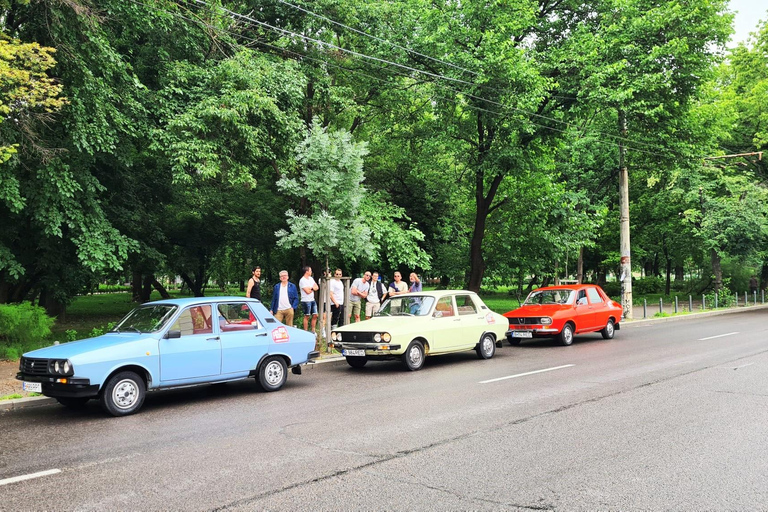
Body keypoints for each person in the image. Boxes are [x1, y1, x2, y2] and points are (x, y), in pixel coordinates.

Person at [299, 266, 319, 332]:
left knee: (315, 315)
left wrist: (311, 288)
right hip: (306, 300)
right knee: (307, 316)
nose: (311, 272)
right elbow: (307, 291)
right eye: (310, 271)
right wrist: (312, 288)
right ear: (307, 272)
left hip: (312, 299)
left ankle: (313, 330)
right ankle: (306, 330)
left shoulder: (311, 279)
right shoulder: (302, 280)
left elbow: (317, 287)